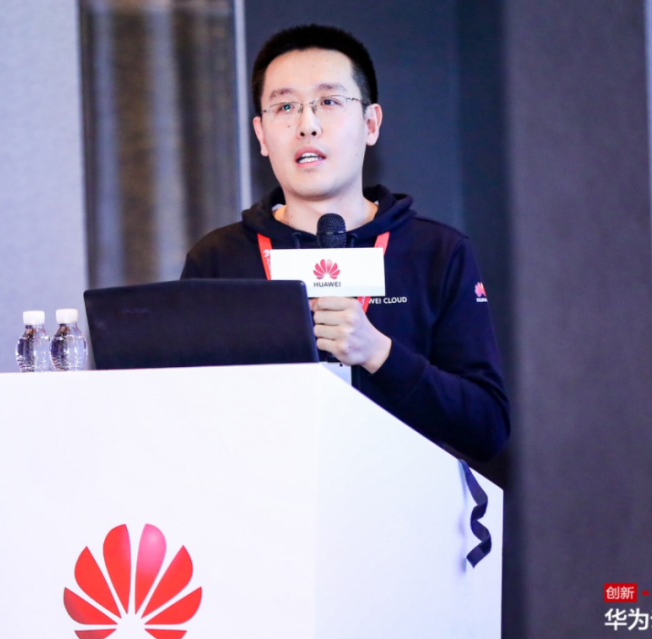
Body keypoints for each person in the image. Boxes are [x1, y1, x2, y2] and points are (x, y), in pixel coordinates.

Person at [181, 24, 509, 462]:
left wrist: (379, 354)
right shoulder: (217, 260)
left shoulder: (437, 252)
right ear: (261, 135)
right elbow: (184, 416)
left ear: (371, 123)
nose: (307, 125)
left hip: (399, 498)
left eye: (329, 102)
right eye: (285, 106)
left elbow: (487, 428)